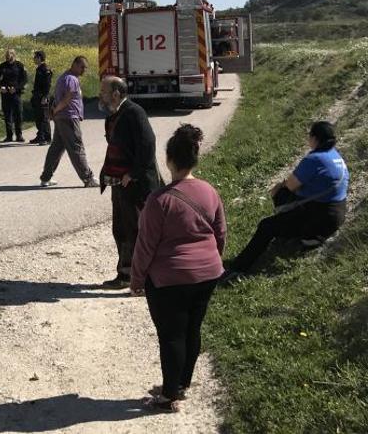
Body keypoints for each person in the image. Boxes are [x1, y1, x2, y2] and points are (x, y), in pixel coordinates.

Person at [130, 124, 226, 412]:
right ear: (195, 158)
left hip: (170, 279)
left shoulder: (159, 200)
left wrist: (136, 279)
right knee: (192, 330)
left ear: (169, 160)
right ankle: (181, 384)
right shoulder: (210, 191)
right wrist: (210, 261)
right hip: (208, 272)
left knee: (171, 335)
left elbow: (145, 246)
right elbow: (220, 233)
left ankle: (169, 396)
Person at [225, 121, 348, 278]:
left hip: (318, 221)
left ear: (315, 139)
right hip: (336, 217)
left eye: (309, 135)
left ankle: (237, 268)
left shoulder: (314, 159)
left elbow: (290, 185)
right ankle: (293, 235)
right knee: (292, 204)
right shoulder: (336, 156)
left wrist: (277, 188)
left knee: (267, 224)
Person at [98, 76, 164, 289]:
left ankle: (142, 279)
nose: (101, 95)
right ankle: (126, 275)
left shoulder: (134, 112)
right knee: (121, 229)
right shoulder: (115, 114)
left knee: (135, 231)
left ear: (116, 94)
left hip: (134, 185)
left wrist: (132, 174)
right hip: (119, 184)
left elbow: (148, 145)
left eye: (104, 91)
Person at [39, 56, 99, 188]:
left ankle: (46, 178)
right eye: (82, 67)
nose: (84, 70)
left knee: (56, 148)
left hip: (62, 118)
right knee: (77, 148)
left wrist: (55, 112)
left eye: (85, 68)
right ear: (74, 64)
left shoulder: (64, 77)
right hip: (69, 117)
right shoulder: (71, 79)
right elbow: (67, 99)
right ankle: (88, 179)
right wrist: (55, 111)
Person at [0, 49, 28, 142]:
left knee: (18, 114)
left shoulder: (19, 65)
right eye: (6, 55)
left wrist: (16, 88)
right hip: (5, 93)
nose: (7, 57)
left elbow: (24, 80)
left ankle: (19, 135)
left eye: (8, 55)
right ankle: (9, 136)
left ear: (13, 55)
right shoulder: (2, 66)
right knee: (7, 115)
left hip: (16, 93)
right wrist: (0, 87)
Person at [29, 51, 53, 145]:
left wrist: (45, 96)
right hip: (37, 96)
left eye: (35, 57)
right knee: (38, 118)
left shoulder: (45, 69)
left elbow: (47, 84)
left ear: (39, 57)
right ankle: (40, 136)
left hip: (42, 97)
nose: (34, 58)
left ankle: (46, 138)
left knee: (44, 118)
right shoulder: (39, 68)